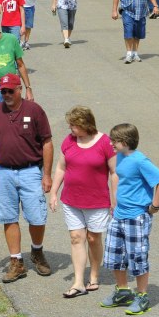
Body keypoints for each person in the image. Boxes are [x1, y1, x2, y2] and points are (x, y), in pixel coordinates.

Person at [0, 73, 53, 283]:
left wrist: (47, 174)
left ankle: (37, 252)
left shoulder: (34, 110)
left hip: (31, 171)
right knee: (8, 217)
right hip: (2, 172)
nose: (7, 94)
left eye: (11, 90)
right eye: (3, 91)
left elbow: (47, 142)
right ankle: (16, 261)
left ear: (19, 89)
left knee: (37, 216)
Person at [101, 123, 159, 315]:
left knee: (137, 257)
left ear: (125, 141)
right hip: (119, 215)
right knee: (115, 255)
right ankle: (123, 291)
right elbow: (116, 177)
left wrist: (155, 206)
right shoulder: (120, 157)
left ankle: (142, 296)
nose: (111, 143)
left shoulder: (140, 161)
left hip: (136, 217)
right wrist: (114, 202)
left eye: (114, 140)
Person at [49, 106, 116, 298]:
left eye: (74, 125)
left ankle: (93, 275)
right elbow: (61, 167)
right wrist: (54, 192)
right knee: (76, 238)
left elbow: (114, 173)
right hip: (71, 200)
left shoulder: (104, 142)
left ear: (85, 124)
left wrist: (114, 199)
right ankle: (78, 282)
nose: (70, 128)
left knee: (93, 238)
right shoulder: (69, 141)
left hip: (97, 201)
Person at [112, 0, 159, 64]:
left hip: (141, 12)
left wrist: (155, 6)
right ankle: (129, 53)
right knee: (129, 32)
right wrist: (114, 11)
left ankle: (135, 52)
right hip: (127, 11)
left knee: (138, 34)